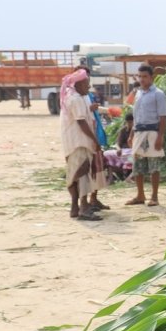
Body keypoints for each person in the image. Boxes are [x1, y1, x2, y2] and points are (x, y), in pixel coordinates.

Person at [59, 69, 103, 221]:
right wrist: (95, 140)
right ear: (78, 84)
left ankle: (74, 207)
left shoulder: (72, 97)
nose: (88, 87)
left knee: (74, 174)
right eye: (86, 84)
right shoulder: (76, 99)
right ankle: (83, 207)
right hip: (79, 142)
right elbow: (82, 122)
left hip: (72, 142)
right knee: (83, 172)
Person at [126, 64, 166, 206]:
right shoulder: (138, 94)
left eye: (145, 77)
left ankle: (154, 197)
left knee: (154, 165)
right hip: (139, 132)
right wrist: (131, 134)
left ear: (151, 77)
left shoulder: (158, 94)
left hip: (152, 132)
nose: (142, 79)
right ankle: (140, 195)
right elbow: (136, 116)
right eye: (140, 76)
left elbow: (163, 117)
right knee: (137, 166)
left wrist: (160, 137)